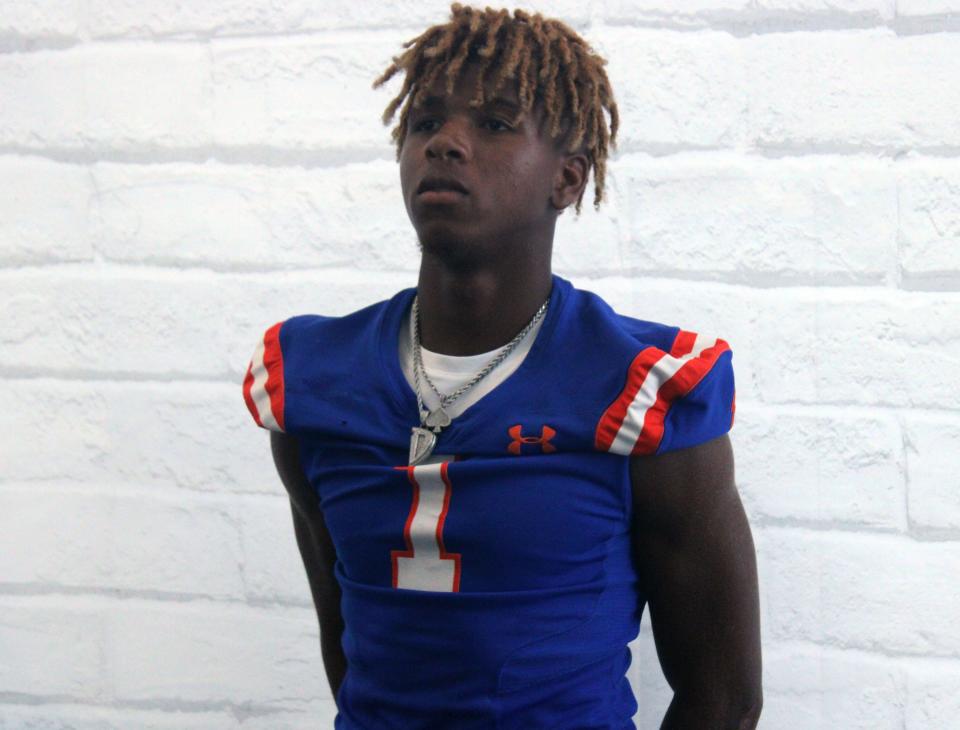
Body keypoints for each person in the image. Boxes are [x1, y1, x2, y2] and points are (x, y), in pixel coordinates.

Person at [242, 4, 762, 728]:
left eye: (493, 124)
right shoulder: (313, 379)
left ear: (568, 180)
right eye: (424, 122)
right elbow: (350, 646)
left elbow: (725, 701)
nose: (445, 144)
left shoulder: (642, 386)